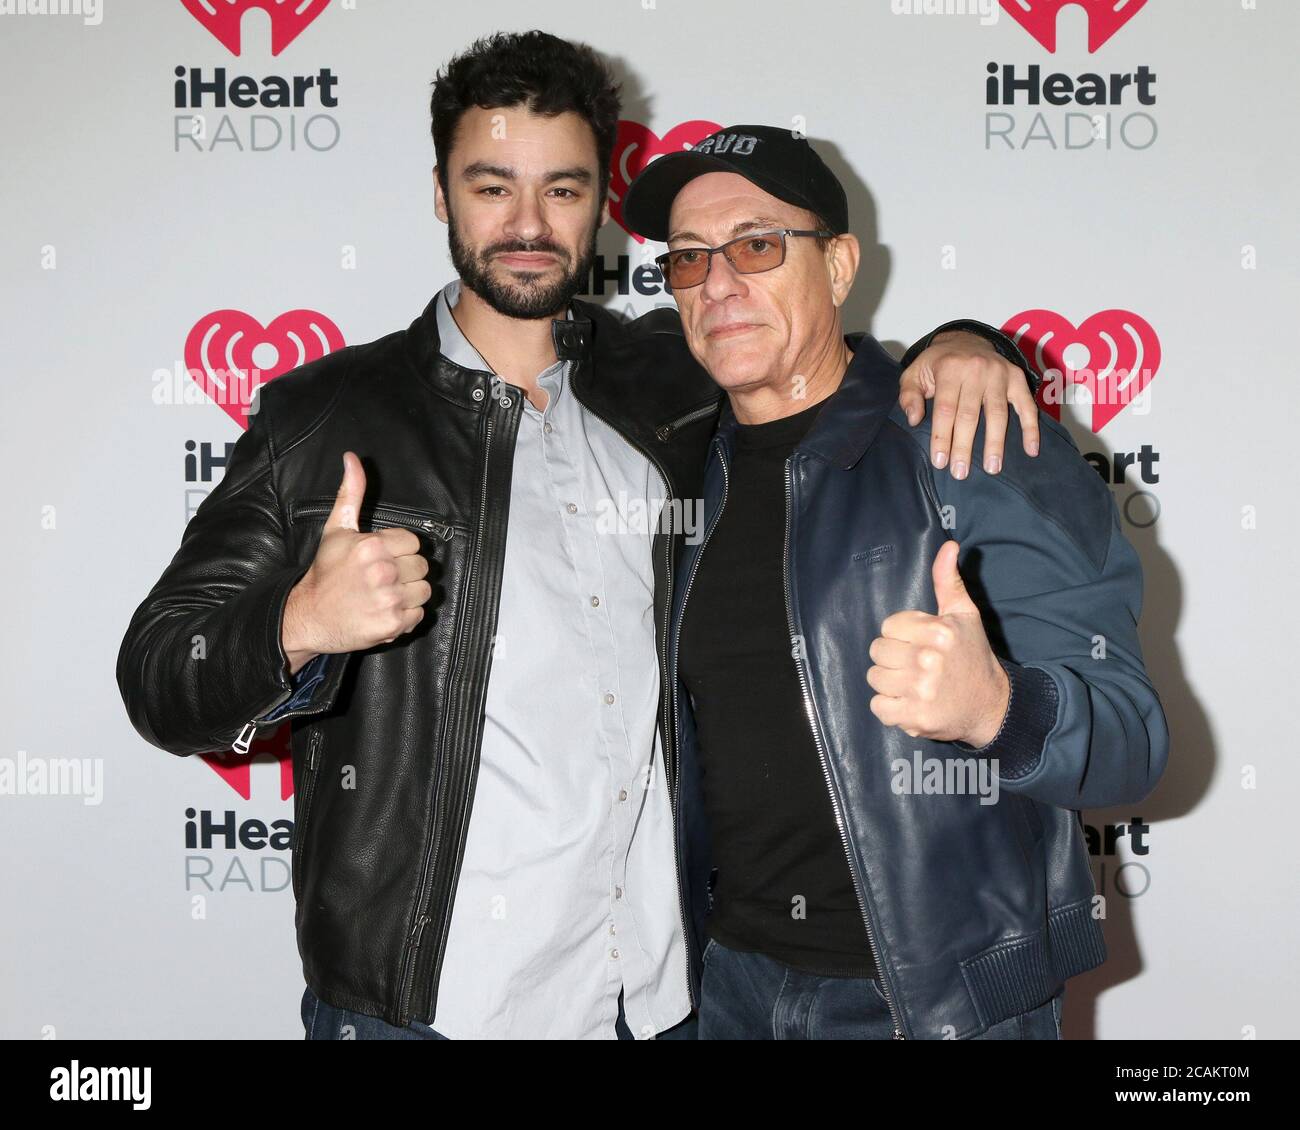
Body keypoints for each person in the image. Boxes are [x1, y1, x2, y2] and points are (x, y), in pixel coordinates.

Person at [117, 33, 1040, 1040]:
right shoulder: (328, 413)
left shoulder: (669, 384)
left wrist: (968, 347)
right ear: (440, 194)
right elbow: (161, 674)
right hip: (426, 1006)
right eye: (490, 186)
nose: (525, 223)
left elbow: (811, 355)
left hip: (655, 999)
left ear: (601, 200)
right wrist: (297, 623)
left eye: (560, 189)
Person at [621, 124, 1169, 1039]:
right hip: (725, 992)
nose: (719, 283)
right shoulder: (674, 458)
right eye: (687, 260)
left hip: (932, 1002)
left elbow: (1131, 739)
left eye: (757, 245)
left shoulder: (971, 440)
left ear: (838, 266)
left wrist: (1001, 711)